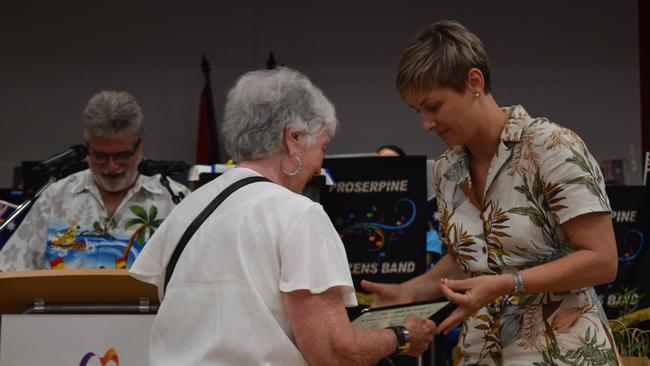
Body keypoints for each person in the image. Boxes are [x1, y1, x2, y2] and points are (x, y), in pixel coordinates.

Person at [129, 68, 436, 365]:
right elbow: (333, 352)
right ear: (293, 138)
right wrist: (403, 334)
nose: (319, 166)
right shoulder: (299, 214)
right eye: (321, 146)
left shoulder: (187, 209)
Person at [361, 20, 621, 365]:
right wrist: (409, 291)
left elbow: (602, 260)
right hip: (481, 353)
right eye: (417, 111)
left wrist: (508, 283)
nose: (425, 124)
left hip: (564, 353)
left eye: (434, 107)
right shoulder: (446, 169)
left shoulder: (550, 146)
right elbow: (465, 259)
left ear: (474, 82)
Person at [0, 91, 190, 271]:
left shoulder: (174, 200)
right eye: (100, 156)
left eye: (122, 155)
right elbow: (11, 270)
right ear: (87, 144)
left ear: (141, 142)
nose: (112, 167)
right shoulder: (54, 197)